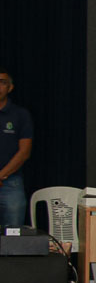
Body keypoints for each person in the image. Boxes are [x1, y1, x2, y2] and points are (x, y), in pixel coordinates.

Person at [0, 67, 33, 228]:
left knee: (13, 234)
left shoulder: (20, 114)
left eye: (2, 82)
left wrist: (1, 175)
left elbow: (24, 152)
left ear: (10, 87)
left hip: (10, 182)